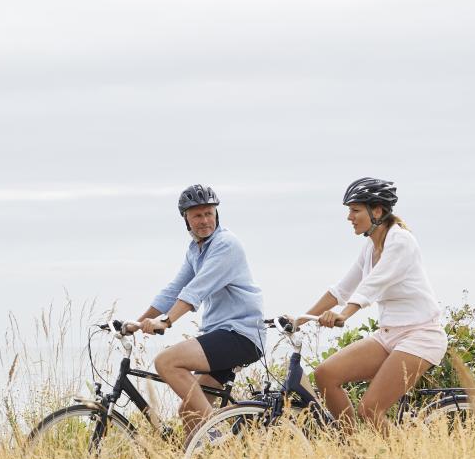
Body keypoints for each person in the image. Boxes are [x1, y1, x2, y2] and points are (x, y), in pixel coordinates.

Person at [291, 177, 446, 430]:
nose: (349, 217)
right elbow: (342, 289)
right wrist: (300, 319)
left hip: (420, 336)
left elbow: (373, 284)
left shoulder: (401, 241)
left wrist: (344, 315)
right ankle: (355, 450)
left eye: (355, 210)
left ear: (377, 210)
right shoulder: (370, 246)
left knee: (371, 410)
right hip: (389, 335)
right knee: (325, 374)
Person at [124, 184, 266, 439]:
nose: (204, 221)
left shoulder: (225, 245)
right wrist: (139, 322)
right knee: (189, 413)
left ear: (217, 215)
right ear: (186, 219)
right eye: (197, 215)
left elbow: (195, 291)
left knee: (166, 362)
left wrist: (166, 321)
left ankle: (221, 439)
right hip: (222, 334)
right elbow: (173, 290)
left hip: (241, 335)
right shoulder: (196, 250)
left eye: (209, 213)